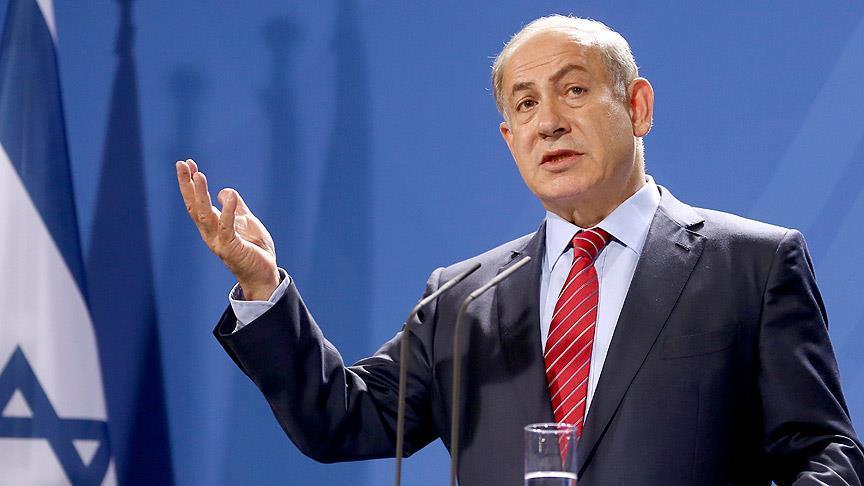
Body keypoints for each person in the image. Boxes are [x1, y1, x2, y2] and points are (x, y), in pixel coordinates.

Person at [175, 15, 864, 486]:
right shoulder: (462, 296)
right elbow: (342, 420)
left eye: (574, 90)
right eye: (525, 105)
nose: (549, 123)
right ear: (510, 139)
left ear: (638, 107)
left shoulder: (751, 265)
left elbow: (825, 455)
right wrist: (262, 286)